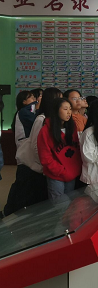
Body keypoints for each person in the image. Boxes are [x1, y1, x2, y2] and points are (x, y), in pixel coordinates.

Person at [3, 88, 62, 217]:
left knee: (28, 192)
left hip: (34, 162)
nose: (35, 99)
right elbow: (36, 145)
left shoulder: (44, 116)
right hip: (30, 161)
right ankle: (10, 213)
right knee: (23, 190)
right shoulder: (37, 116)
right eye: (33, 97)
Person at [37, 98, 82, 199]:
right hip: (56, 175)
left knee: (70, 203)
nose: (69, 112)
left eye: (70, 109)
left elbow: (76, 148)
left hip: (72, 172)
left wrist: (75, 168)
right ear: (56, 110)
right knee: (59, 205)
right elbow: (45, 158)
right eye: (65, 109)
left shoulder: (72, 127)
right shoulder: (45, 131)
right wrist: (61, 171)